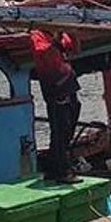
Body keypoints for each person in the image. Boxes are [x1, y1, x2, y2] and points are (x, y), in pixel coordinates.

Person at [30, 28, 81, 184]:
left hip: (68, 85)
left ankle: (56, 167)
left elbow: (75, 49)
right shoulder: (37, 35)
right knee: (59, 129)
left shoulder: (58, 34)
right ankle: (61, 170)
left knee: (69, 125)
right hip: (55, 88)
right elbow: (44, 51)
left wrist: (72, 31)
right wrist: (57, 39)